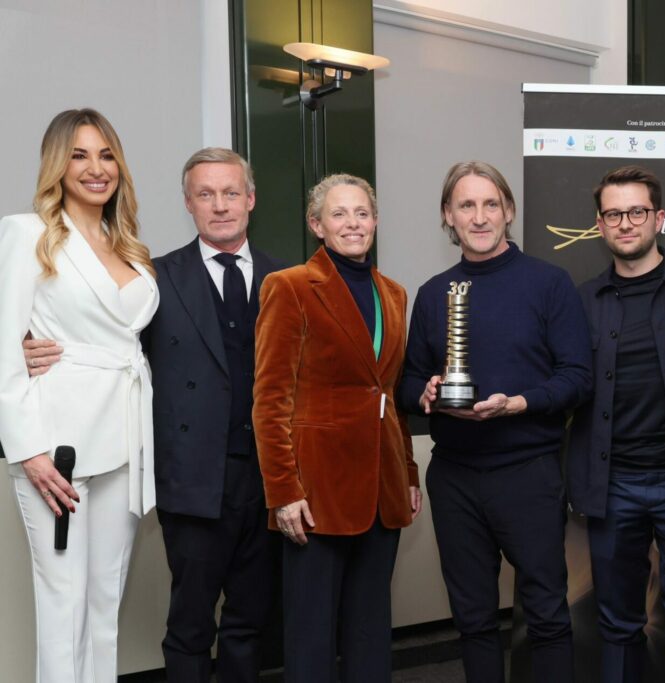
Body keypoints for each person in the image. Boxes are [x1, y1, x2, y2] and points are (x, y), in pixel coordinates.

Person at [25, 147, 284, 682]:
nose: (220, 205)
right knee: (190, 625)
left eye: (230, 193)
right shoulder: (151, 278)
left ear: (251, 200)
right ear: (188, 203)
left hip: (268, 478)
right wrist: (28, 347)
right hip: (191, 480)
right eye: (205, 194)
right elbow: (103, 343)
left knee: (250, 623)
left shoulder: (287, 279)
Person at [399, 161, 592, 682]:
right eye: (466, 205)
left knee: (547, 614)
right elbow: (407, 382)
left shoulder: (549, 284)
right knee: (473, 620)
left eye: (490, 204)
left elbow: (578, 377)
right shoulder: (434, 293)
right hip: (455, 477)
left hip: (528, 473)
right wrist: (427, 393)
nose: (479, 217)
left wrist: (519, 403)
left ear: (509, 211)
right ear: (448, 215)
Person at [0, 108, 159, 682]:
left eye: (107, 155)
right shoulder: (28, 233)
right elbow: (4, 349)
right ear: (57, 165)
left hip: (126, 440)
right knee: (62, 604)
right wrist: (29, 451)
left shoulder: (129, 246)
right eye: (80, 155)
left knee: (104, 603)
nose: (97, 168)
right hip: (57, 445)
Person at [253, 173, 421, 682]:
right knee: (311, 637)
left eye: (362, 213)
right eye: (339, 214)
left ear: (376, 221)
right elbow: (270, 401)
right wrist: (283, 491)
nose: (353, 224)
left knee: (371, 632)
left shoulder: (393, 294)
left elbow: (389, 394)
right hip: (315, 493)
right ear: (316, 225)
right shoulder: (290, 286)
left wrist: (408, 472)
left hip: (382, 489)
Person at [567, 165, 665, 682]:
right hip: (612, 486)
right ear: (599, 224)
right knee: (616, 623)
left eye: (637, 211)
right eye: (613, 214)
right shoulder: (582, 301)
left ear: (659, 217)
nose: (625, 223)